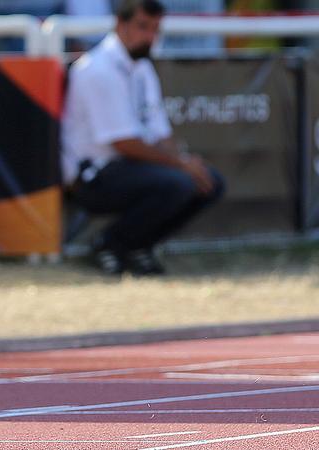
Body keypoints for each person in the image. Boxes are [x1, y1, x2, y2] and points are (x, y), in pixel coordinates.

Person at [61, 0, 224, 275]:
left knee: (209, 181)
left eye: (155, 29)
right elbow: (123, 142)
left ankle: (138, 246)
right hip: (92, 177)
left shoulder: (141, 66)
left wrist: (185, 160)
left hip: (125, 168)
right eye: (143, 27)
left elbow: (160, 132)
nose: (150, 37)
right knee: (180, 182)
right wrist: (181, 165)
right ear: (120, 24)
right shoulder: (96, 69)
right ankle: (109, 244)